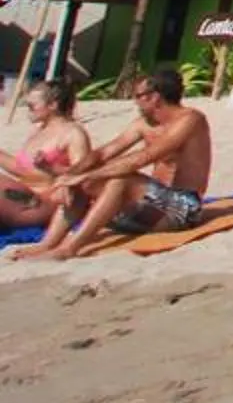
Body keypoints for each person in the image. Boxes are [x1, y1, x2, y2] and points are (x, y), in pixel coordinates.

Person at [9, 67, 212, 261]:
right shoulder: (144, 124)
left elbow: (142, 158)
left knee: (118, 180)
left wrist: (89, 175)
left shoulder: (190, 120)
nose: (135, 102)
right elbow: (103, 153)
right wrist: (69, 177)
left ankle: (69, 249)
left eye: (138, 96)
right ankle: (47, 244)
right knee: (83, 182)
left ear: (154, 97)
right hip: (149, 207)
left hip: (184, 209)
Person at [0, 79, 97, 231]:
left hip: (45, 201)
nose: (28, 111)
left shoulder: (72, 133)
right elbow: (21, 169)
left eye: (32, 106)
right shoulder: (39, 131)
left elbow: (82, 174)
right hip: (23, 193)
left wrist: (52, 170)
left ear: (53, 105)